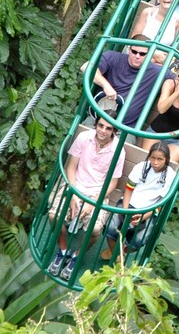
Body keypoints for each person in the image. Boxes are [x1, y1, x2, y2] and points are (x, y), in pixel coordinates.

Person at [46, 114, 126, 280]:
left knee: (95, 229)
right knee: (54, 216)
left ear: (114, 131)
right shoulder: (84, 137)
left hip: (96, 194)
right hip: (76, 186)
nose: (103, 131)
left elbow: (112, 183)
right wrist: (73, 193)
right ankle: (62, 251)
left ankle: (76, 255)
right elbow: (71, 167)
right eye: (100, 126)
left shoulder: (118, 150)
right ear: (96, 125)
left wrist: (94, 202)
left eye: (108, 128)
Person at [101, 142, 176, 260]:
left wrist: (145, 216)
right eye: (153, 158)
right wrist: (125, 210)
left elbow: (162, 202)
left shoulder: (170, 175)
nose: (155, 162)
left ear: (166, 159)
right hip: (129, 203)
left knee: (138, 241)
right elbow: (128, 189)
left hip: (150, 210)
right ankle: (116, 256)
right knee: (111, 228)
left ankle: (121, 253)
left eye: (160, 159)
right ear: (149, 156)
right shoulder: (142, 166)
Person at [81, 35, 175, 128]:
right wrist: (106, 85)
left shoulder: (156, 71)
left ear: (149, 54)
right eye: (134, 52)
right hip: (97, 120)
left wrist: (167, 86)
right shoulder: (113, 57)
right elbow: (85, 67)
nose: (137, 56)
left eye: (142, 54)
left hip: (124, 128)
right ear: (129, 49)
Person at [131, 0, 179, 65]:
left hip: (160, 62)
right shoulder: (147, 12)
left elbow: (176, 48)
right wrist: (153, 53)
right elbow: (134, 39)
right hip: (139, 54)